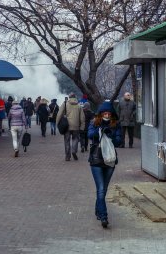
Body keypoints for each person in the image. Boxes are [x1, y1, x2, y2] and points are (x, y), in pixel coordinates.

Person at [87, 100, 122, 228]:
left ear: (112, 114)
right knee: (101, 190)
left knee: (104, 189)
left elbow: (119, 142)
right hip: (96, 160)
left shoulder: (116, 125)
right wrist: (100, 130)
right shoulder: (94, 122)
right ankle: (104, 216)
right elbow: (89, 134)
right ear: (100, 114)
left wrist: (111, 134)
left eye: (109, 113)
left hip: (110, 161)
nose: (106, 115)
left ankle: (98, 210)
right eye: (104, 113)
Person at [56, 93, 85, 161]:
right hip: (76, 126)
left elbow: (59, 114)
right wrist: (82, 127)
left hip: (67, 126)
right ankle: (74, 151)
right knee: (75, 139)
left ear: (69, 97)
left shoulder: (65, 104)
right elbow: (82, 118)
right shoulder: (79, 105)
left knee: (67, 141)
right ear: (75, 97)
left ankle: (67, 156)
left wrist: (57, 123)